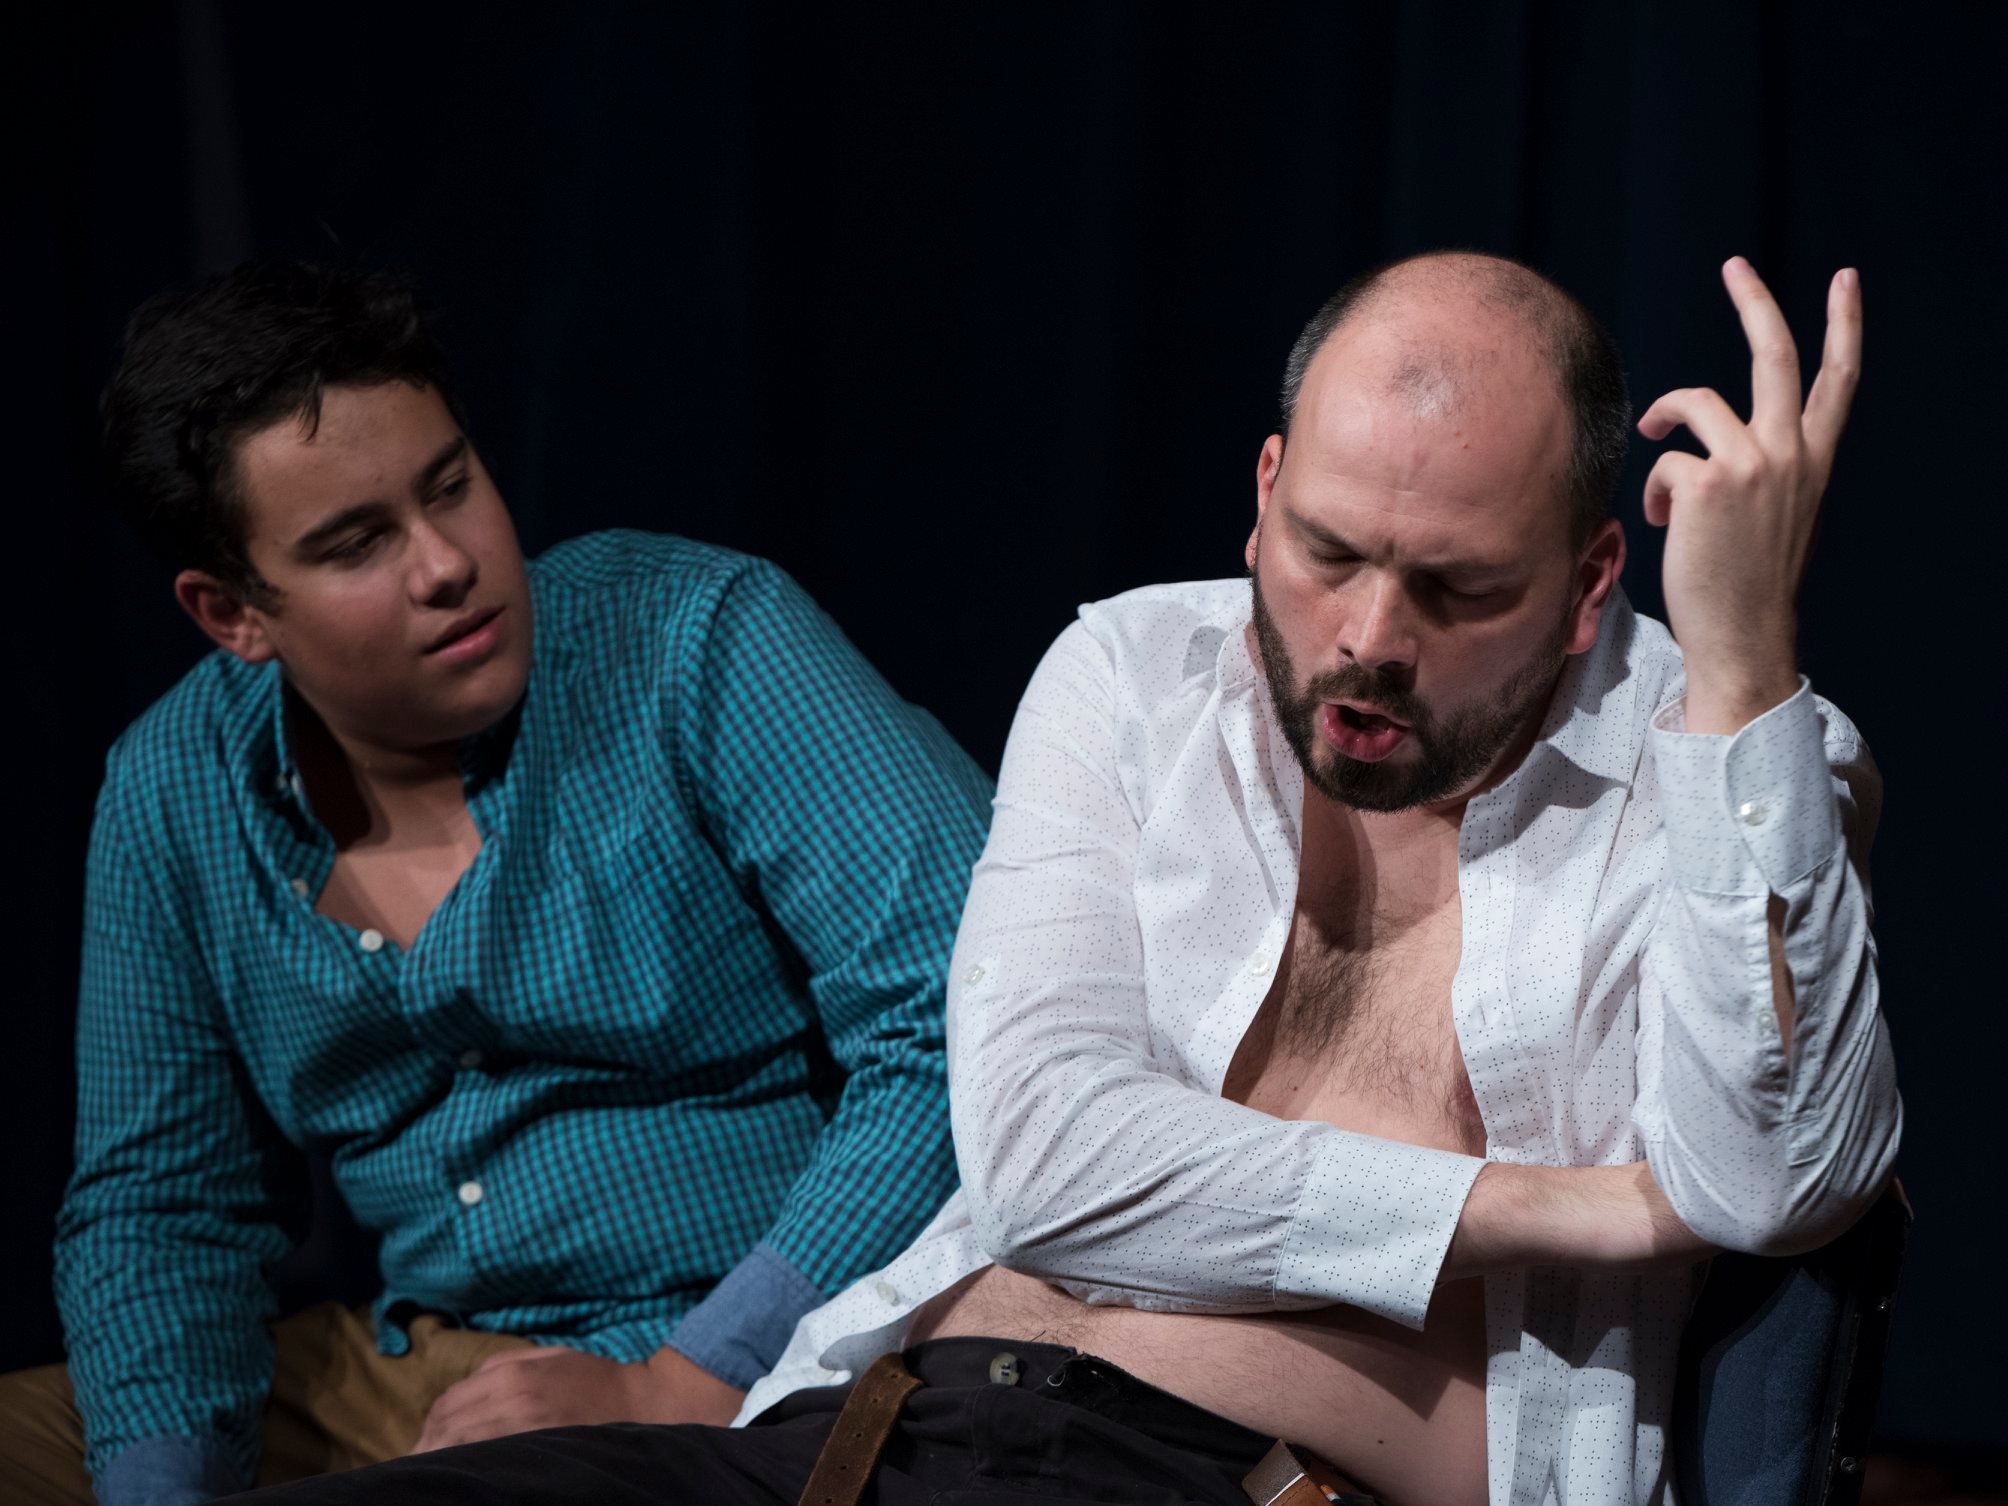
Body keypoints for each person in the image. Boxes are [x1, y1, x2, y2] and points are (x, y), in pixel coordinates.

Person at [216, 250, 1899, 1506]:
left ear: (1593, 578)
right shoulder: (1131, 674)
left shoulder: (1732, 766)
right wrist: (1573, 1207)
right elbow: (1038, 1157)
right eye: (1326, 553)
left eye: (1455, 589)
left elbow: (1773, 1185)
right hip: (860, 1431)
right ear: (1263, 496)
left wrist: (1743, 668)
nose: (1368, 639)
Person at [0, 262, 994, 1505]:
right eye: (357, 543)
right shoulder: (172, 789)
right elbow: (164, 1210)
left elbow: (967, 1019)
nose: (445, 564)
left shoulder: (698, 637)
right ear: (232, 614)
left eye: (449, 486)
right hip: (433, 1371)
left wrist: (685, 1377)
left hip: (783, 1339)